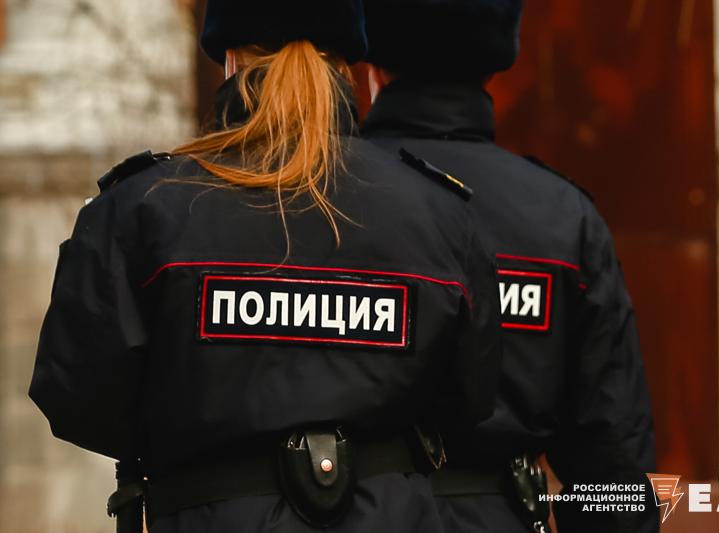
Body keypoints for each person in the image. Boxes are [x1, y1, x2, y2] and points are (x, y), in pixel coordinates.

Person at [28, 1, 503, 532]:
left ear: (230, 58)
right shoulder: (439, 214)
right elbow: (471, 399)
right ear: (347, 64)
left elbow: (78, 397)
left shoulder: (143, 207)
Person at [361, 1, 659, 532]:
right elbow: (612, 473)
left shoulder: (320, 203)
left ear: (371, 63)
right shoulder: (562, 220)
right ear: (497, 63)